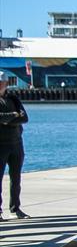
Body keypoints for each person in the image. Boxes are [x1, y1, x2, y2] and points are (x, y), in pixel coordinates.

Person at [0, 71, 30, 221]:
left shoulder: (13, 98)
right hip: (1, 145)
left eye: (2, 82)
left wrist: (7, 119)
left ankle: (15, 208)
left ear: (6, 83)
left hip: (16, 144)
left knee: (16, 178)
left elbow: (24, 117)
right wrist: (13, 115)